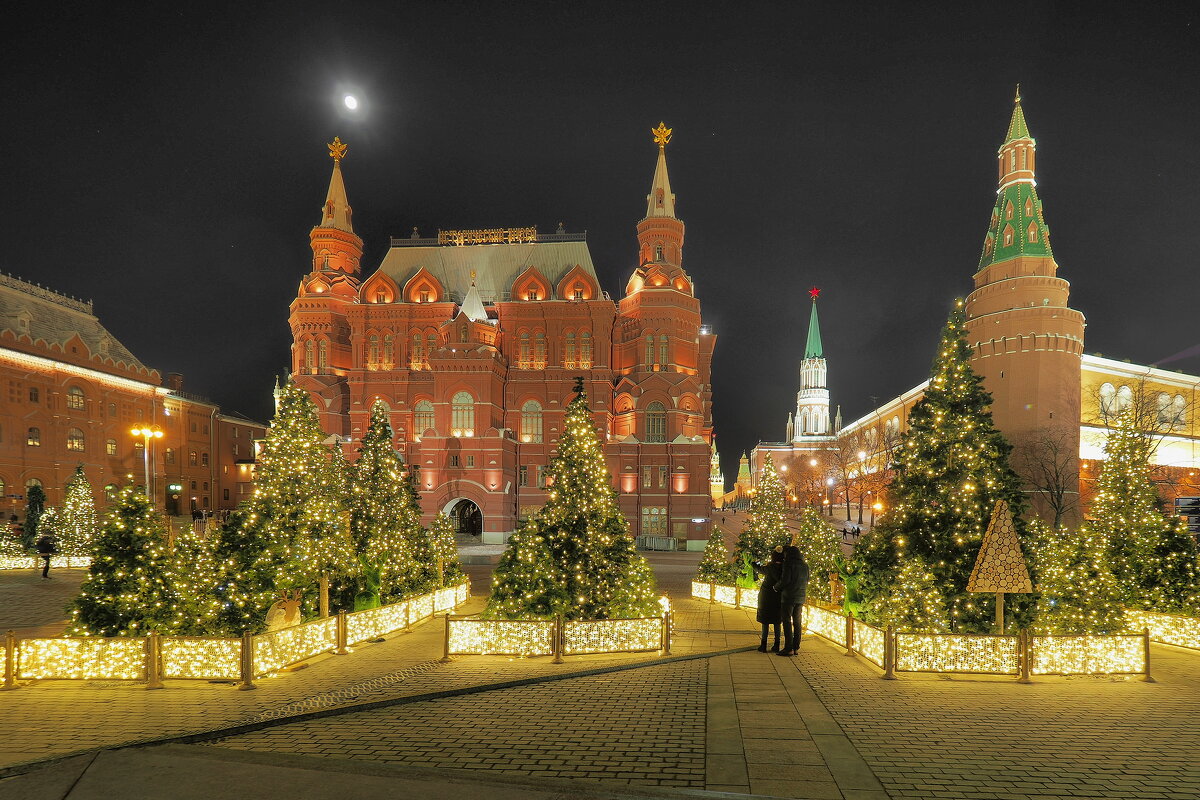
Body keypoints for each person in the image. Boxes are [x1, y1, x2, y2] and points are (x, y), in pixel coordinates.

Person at [774, 545, 810, 657]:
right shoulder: (805, 565)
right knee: (797, 622)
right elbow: (807, 579)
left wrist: (776, 587)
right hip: (801, 597)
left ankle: (788, 648)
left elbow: (785, 580)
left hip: (789, 597)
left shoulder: (788, 564)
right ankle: (796, 648)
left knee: (787, 621)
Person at [753, 547, 785, 652]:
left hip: (766, 597)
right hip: (778, 596)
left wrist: (753, 564)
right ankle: (777, 644)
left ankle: (763, 645)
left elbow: (759, 569)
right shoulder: (784, 568)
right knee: (777, 621)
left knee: (765, 622)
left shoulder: (769, 567)